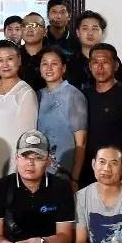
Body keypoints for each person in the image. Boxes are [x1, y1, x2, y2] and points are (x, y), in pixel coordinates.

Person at [81, 43, 122, 186]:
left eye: (105, 62)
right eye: (95, 63)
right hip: (88, 173)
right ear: (89, 66)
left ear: (115, 66)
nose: (100, 67)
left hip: (115, 173)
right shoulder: (83, 96)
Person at [0, 41, 38, 179]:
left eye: (10, 59)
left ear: (19, 60)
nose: (5, 64)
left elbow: (28, 137)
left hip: (11, 164)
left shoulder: (25, 93)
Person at [35, 47, 88, 183]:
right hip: (38, 168)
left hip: (63, 170)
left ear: (63, 68)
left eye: (54, 63)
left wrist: (74, 178)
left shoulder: (73, 95)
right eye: (44, 63)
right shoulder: (37, 95)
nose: (49, 68)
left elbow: (81, 143)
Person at [66, 11, 107, 90]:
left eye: (95, 29)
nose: (90, 33)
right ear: (78, 33)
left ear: (102, 33)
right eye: (85, 28)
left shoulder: (111, 61)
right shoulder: (69, 62)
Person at [18, 12, 49, 91]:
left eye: (35, 25)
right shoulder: (14, 55)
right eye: (25, 25)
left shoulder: (53, 56)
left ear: (45, 31)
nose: (29, 29)